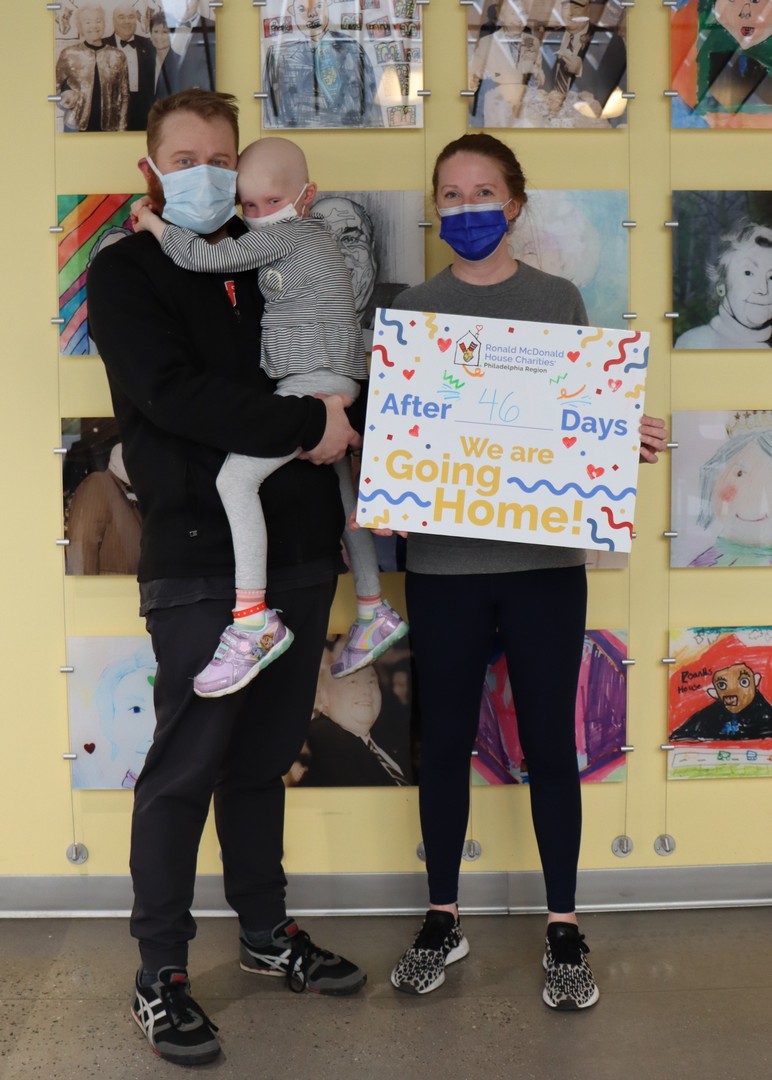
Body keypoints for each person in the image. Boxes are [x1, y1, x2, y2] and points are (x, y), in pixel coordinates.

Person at [86, 88, 366, 1067]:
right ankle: (159, 970)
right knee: (184, 771)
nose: (207, 173)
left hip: (295, 553)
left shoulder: (269, 254)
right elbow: (172, 396)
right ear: (152, 172)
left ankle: (262, 935)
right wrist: (306, 428)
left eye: (221, 157)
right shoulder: (126, 270)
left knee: (261, 763)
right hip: (200, 566)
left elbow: (326, 348)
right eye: (186, 158)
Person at [368, 133, 667, 1008]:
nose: (467, 208)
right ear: (435, 206)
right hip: (446, 569)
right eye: (451, 194)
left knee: (549, 742)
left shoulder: (559, 299)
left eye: (483, 192)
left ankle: (564, 928)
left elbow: (580, 422)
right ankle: (442, 917)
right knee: (446, 743)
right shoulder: (414, 311)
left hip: (543, 565)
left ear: (516, 204)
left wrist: (624, 440)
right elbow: (402, 442)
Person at [133, 136, 408, 697]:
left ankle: (254, 619)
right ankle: (373, 605)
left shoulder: (294, 236)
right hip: (328, 380)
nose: (258, 218)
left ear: (305, 197)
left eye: (271, 202)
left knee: (235, 480)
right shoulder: (306, 238)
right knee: (343, 495)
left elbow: (203, 257)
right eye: (248, 207)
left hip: (310, 384)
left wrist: (152, 221)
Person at [298, 636, 412, 786]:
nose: (366, 690)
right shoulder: (324, 741)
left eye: (371, 682)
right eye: (352, 682)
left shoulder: (386, 742)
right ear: (323, 697)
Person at [262, 0, 383, 128]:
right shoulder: (278, 56)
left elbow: (372, 110)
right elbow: (271, 116)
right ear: (293, 13)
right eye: (302, 9)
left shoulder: (352, 49)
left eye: (318, 6)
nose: (311, 14)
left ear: (327, 7)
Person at [674, 222, 772, 349]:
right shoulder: (694, 344)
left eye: (771, 277)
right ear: (722, 285)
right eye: (748, 273)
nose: (763, 289)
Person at [65, 442, 142, 575]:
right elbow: (83, 542)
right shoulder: (99, 484)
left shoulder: (120, 491)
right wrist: (88, 588)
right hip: (107, 590)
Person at [55, 3, 128, 132]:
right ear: (80, 27)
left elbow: (124, 95)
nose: (94, 26)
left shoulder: (117, 55)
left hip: (110, 126)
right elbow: (54, 88)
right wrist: (65, 99)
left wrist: (122, 125)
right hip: (75, 125)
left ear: (104, 24)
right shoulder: (68, 54)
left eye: (98, 21)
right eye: (87, 22)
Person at [104, 2, 156, 129]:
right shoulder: (102, 46)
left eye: (131, 17)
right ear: (113, 20)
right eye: (121, 17)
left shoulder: (150, 45)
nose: (127, 21)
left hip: (145, 112)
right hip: (112, 111)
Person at [164, 0, 216, 93]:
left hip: (197, 100)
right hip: (165, 101)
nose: (182, 4)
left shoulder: (214, 29)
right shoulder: (156, 28)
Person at [149, 12, 179, 100]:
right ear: (150, 34)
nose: (159, 37)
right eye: (156, 31)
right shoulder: (144, 61)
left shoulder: (179, 63)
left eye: (165, 32)